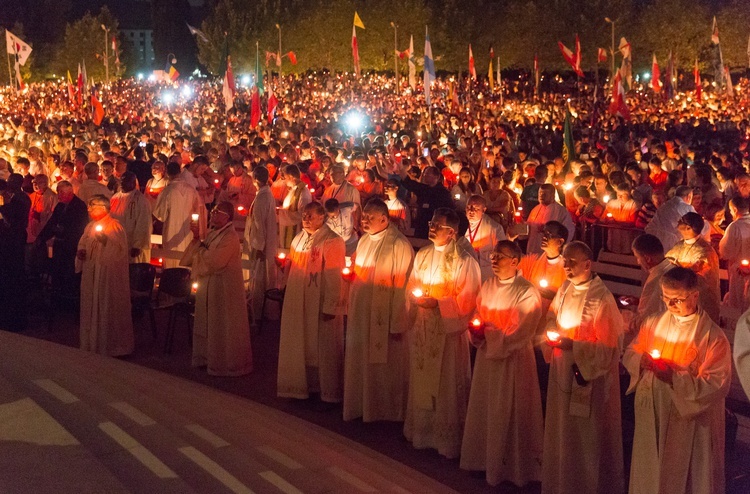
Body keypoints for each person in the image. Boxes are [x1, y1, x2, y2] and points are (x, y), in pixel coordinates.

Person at [623, 267, 731, 494]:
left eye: (677, 299)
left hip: (688, 423)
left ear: (695, 295)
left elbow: (717, 384)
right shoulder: (653, 322)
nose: (670, 305)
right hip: (651, 412)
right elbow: (632, 351)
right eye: (666, 298)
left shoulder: (712, 337)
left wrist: (674, 378)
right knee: (649, 471)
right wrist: (640, 361)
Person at [542, 241, 624, 494]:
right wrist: (552, 333)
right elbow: (551, 316)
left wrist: (574, 346)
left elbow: (611, 347)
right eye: (565, 261)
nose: (565, 266)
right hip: (561, 368)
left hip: (587, 376)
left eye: (571, 262)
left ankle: (585, 486)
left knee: (585, 435)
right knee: (562, 428)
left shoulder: (602, 298)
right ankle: (560, 483)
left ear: (587, 265)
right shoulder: (565, 288)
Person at [460, 240, 544, 487]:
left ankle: (513, 468)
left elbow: (522, 331)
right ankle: (482, 460)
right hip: (488, 358)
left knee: (510, 410)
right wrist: (475, 331)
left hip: (513, 361)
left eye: (500, 256)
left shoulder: (527, 291)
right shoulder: (487, 285)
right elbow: (478, 314)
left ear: (515, 262)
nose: (494, 260)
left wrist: (490, 334)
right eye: (493, 256)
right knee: (486, 407)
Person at [404, 208, 481, 458]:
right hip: (424, 328)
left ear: (451, 233)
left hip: (447, 334)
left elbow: (468, 300)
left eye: (438, 225)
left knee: (446, 384)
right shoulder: (423, 255)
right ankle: (422, 432)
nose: (432, 227)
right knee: (422, 377)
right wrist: (417, 300)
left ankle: (446, 440)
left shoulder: (464, 261)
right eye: (432, 223)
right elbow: (413, 284)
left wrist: (438, 303)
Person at [344, 198, 414, 422]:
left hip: (384, 318)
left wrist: (397, 322)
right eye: (363, 217)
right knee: (361, 360)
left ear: (384, 219)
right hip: (361, 311)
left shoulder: (399, 245)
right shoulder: (364, 240)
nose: (364, 220)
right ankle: (362, 405)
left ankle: (385, 411)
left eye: (369, 217)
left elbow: (404, 287)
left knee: (385, 366)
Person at [277, 202, 347, 402]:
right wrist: (284, 270)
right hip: (298, 301)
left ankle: (327, 394)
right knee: (301, 343)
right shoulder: (299, 238)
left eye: (310, 216)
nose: (306, 219)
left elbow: (334, 276)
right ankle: (305, 386)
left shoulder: (332, 241)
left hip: (320, 303)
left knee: (323, 347)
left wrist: (332, 305)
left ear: (322, 217)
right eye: (304, 215)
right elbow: (293, 264)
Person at [180, 201, 252, 376]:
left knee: (223, 325)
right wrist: (197, 238)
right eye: (212, 210)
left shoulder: (230, 237)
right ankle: (207, 357)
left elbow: (215, 262)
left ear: (227, 216)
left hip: (224, 289)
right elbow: (196, 256)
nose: (212, 214)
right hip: (210, 288)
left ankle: (226, 363)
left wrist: (201, 253)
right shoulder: (213, 233)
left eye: (217, 211)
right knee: (210, 323)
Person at [76, 195, 134, 356]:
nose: (89, 209)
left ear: (103, 208)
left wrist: (106, 242)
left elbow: (120, 251)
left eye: (92, 205)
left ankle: (111, 345)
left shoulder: (115, 227)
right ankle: (90, 343)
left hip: (107, 276)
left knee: (105, 306)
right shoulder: (90, 227)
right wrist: (81, 252)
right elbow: (83, 242)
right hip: (91, 272)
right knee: (91, 305)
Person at [665, 212, 721, 324]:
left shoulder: (705, 252)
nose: (678, 224)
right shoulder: (680, 245)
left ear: (688, 228)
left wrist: (678, 268)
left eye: (680, 221)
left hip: (699, 300)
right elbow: (666, 263)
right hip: (680, 299)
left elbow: (699, 276)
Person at [35, 180, 88, 296]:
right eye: (58, 192)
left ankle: (68, 300)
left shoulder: (79, 206)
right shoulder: (60, 206)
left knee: (69, 274)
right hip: (60, 245)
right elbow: (51, 223)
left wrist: (63, 230)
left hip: (71, 245)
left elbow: (79, 227)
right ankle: (57, 297)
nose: (58, 196)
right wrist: (41, 238)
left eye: (61, 193)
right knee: (57, 272)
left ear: (70, 193)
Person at [243, 166, 278, 322]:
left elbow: (259, 225)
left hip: (260, 247)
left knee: (258, 279)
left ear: (255, 179)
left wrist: (258, 247)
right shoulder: (265, 195)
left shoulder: (263, 198)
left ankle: (257, 313)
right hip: (264, 244)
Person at [153, 162, 204, 268]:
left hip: (171, 233)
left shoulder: (167, 191)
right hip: (188, 233)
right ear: (180, 172)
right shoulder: (191, 190)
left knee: (171, 265)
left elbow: (160, 216)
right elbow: (199, 211)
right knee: (185, 264)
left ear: (167, 173)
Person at [0, 175, 31, 332]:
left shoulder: (20, 200)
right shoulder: (12, 200)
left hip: (13, 246)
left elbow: (13, 218)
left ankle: (14, 319)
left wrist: (3, 205)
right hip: (7, 245)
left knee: (13, 280)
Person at [630, 234, 675, 340]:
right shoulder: (670, 267)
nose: (638, 262)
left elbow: (649, 318)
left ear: (647, 258)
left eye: (638, 257)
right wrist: (638, 301)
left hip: (660, 336)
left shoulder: (660, 278)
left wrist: (627, 323)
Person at [398, 165, 454, 239]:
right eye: (424, 174)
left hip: (435, 226)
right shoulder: (423, 188)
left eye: (427, 174)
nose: (424, 176)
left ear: (436, 177)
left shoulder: (443, 193)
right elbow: (409, 183)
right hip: (421, 224)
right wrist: (400, 167)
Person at [110, 172, 152, 263]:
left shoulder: (141, 201)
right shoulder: (114, 198)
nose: (122, 183)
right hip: (116, 242)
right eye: (121, 181)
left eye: (126, 181)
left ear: (133, 183)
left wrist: (137, 245)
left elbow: (143, 223)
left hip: (132, 243)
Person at [719, 195, 750, 317]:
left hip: (740, 272)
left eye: (731, 210)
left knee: (738, 303)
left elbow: (726, 251)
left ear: (735, 209)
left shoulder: (734, 227)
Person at [645, 185, 700, 252]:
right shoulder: (687, 208)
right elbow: (698, 225)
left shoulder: (664, 205)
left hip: (654, 242)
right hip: (673, 245)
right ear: (689, 196)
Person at [464, 194, 506, 282]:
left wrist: (478, 254)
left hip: (485, 273)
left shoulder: (494, 228)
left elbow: (502, 252)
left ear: (484, 210)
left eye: (476, 208)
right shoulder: (460, 225)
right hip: (465, 270)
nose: (471, 211)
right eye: (469, 207)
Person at [525, 183, 575, 255]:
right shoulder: (535, 209)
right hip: (533, 248)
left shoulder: (561, 211)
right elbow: (527, 228)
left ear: (552, 196)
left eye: (545, 194)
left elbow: (568, 231)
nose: (541, 196)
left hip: (551, 252)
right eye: (540, 193)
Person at [278, 164, 312, 248]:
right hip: (287, 228)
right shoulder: (293, 189)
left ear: (291, 176)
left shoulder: (303, 192)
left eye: (285, 177)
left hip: (296, 231)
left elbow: (302, 215)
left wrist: (281, 212)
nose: (284, 180)